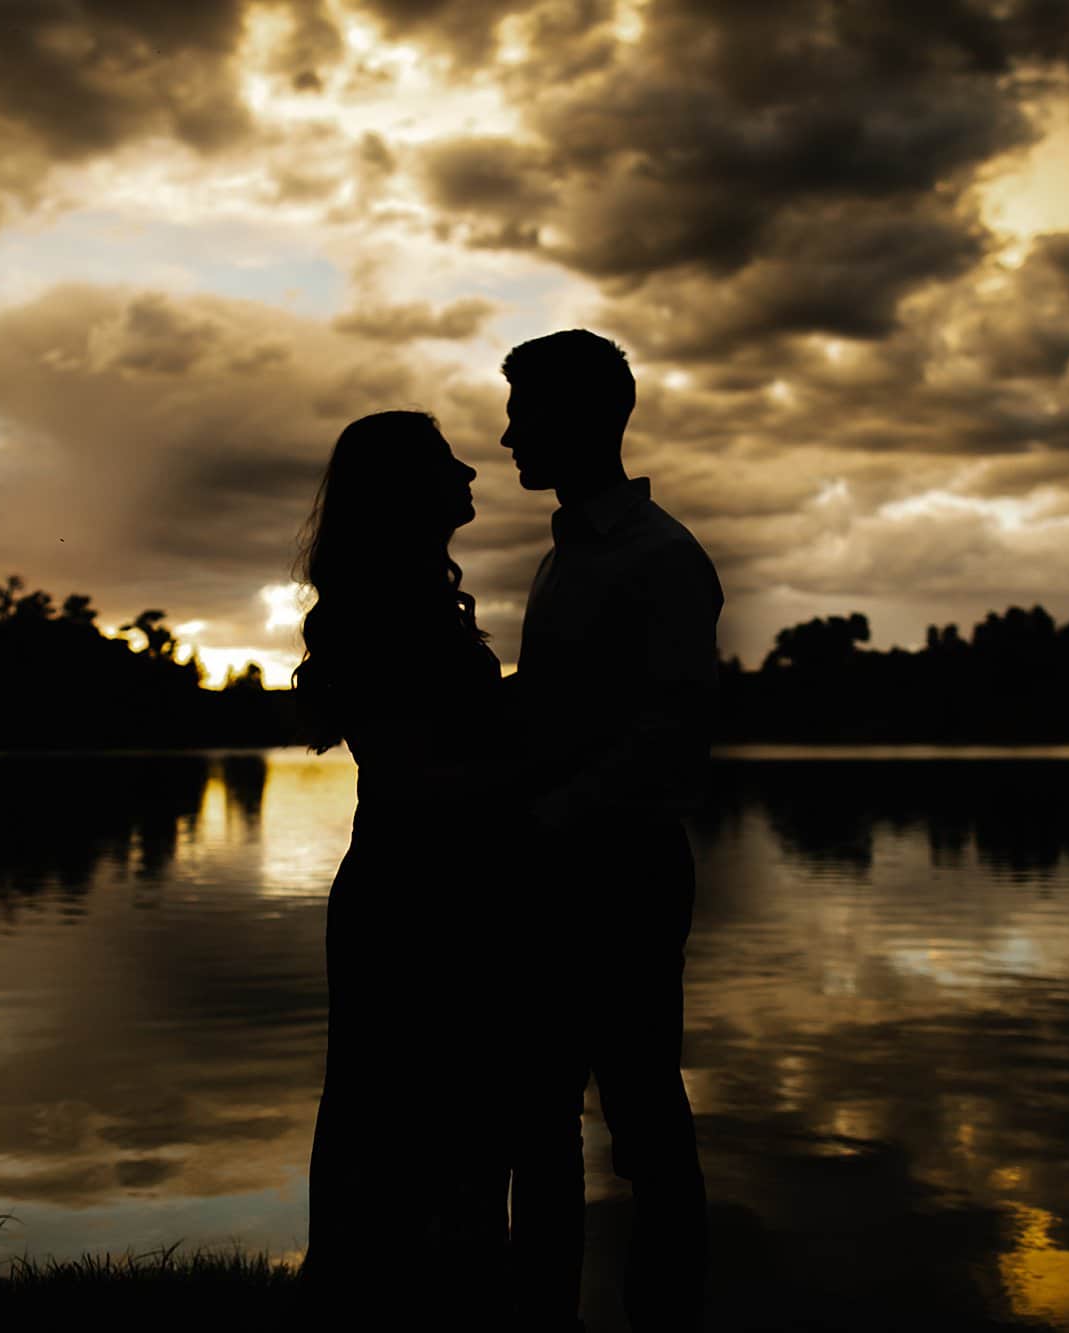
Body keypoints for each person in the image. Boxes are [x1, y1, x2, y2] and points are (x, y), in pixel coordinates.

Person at [501, 330, 721, 1332]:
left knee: (640, 1121)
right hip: (549, 873)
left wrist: (550, 815)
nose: (506, 433)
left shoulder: (659, 557)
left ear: (584, 418)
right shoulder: (566, 555)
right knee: (537, 1115)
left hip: (621, 873)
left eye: (525, 410)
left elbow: (670, 729)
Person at [293, 410, 516, 1329]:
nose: (470, 468)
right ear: (401, 491)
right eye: (442, 462)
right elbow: (420, 766)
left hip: (406, 881)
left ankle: (380, 1293)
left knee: (395, 1108)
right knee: (423, 1115)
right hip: (422, 893)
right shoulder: (394, 606)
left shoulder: (405, 595)